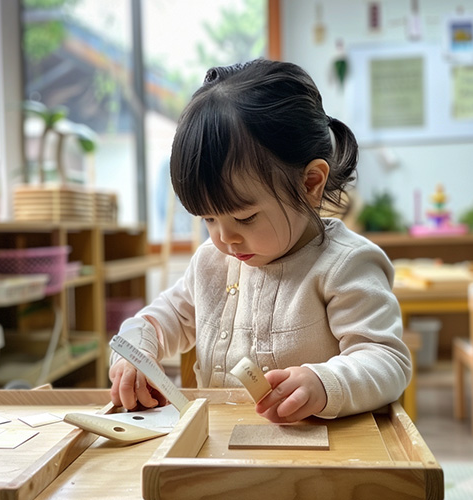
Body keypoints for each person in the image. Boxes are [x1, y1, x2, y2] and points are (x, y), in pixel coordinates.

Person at [109, 59, 412, 423]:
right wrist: (135, 350)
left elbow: (386, 360)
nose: (225, 238)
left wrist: (324, 383)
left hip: (313, 459)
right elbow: (160, 319)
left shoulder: (345, 265)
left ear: (310, 184)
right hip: (221, 450)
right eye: (208, 218)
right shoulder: (211, 262)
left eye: (244, 217)